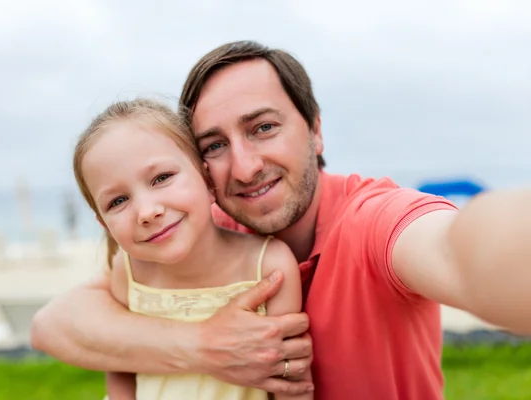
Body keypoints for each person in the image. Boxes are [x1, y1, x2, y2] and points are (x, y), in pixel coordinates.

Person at [32, 41, 531, 400]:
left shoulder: (372, 220)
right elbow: (53, 325)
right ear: (201, 170)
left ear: (315, 130)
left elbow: (455, 247)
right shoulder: (201, 232)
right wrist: (203, 348)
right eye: (215, 146)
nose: (245, 167)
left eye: (264, 128)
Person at [71, 98, 312, 399]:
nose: (146, 211)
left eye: (162, 178)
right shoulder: (128, 270)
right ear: (104, 223)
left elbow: (293, 386)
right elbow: (120, 365)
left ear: (207, 180)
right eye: (118, 201)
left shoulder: (268, 266)